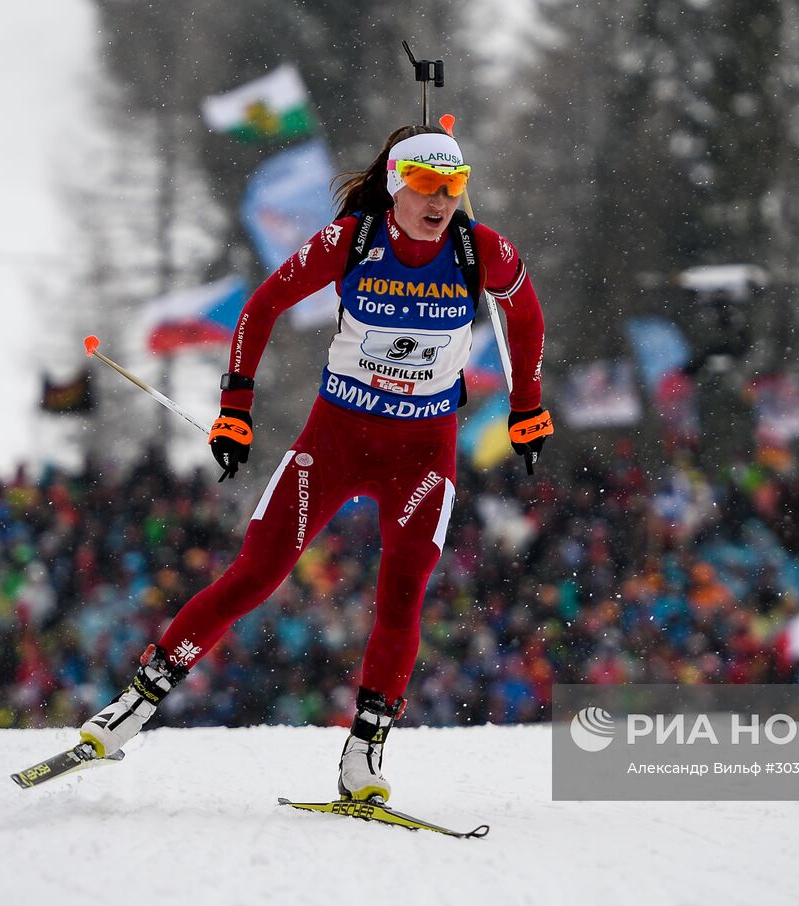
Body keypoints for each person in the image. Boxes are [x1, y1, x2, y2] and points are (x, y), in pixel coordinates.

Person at [79, 125, 552, 803]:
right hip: (338, 439)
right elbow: (261, 307)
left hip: (422, 452)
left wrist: (527, 407)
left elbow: (526, 319)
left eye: (452, 187)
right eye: (425, 185)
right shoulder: (353, 240)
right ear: (397, 187)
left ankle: (365, 751)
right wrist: (235, 408)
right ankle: (133, 706)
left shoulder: (482, 251)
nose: (441, 200)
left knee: (402, 596)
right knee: (256, 573)